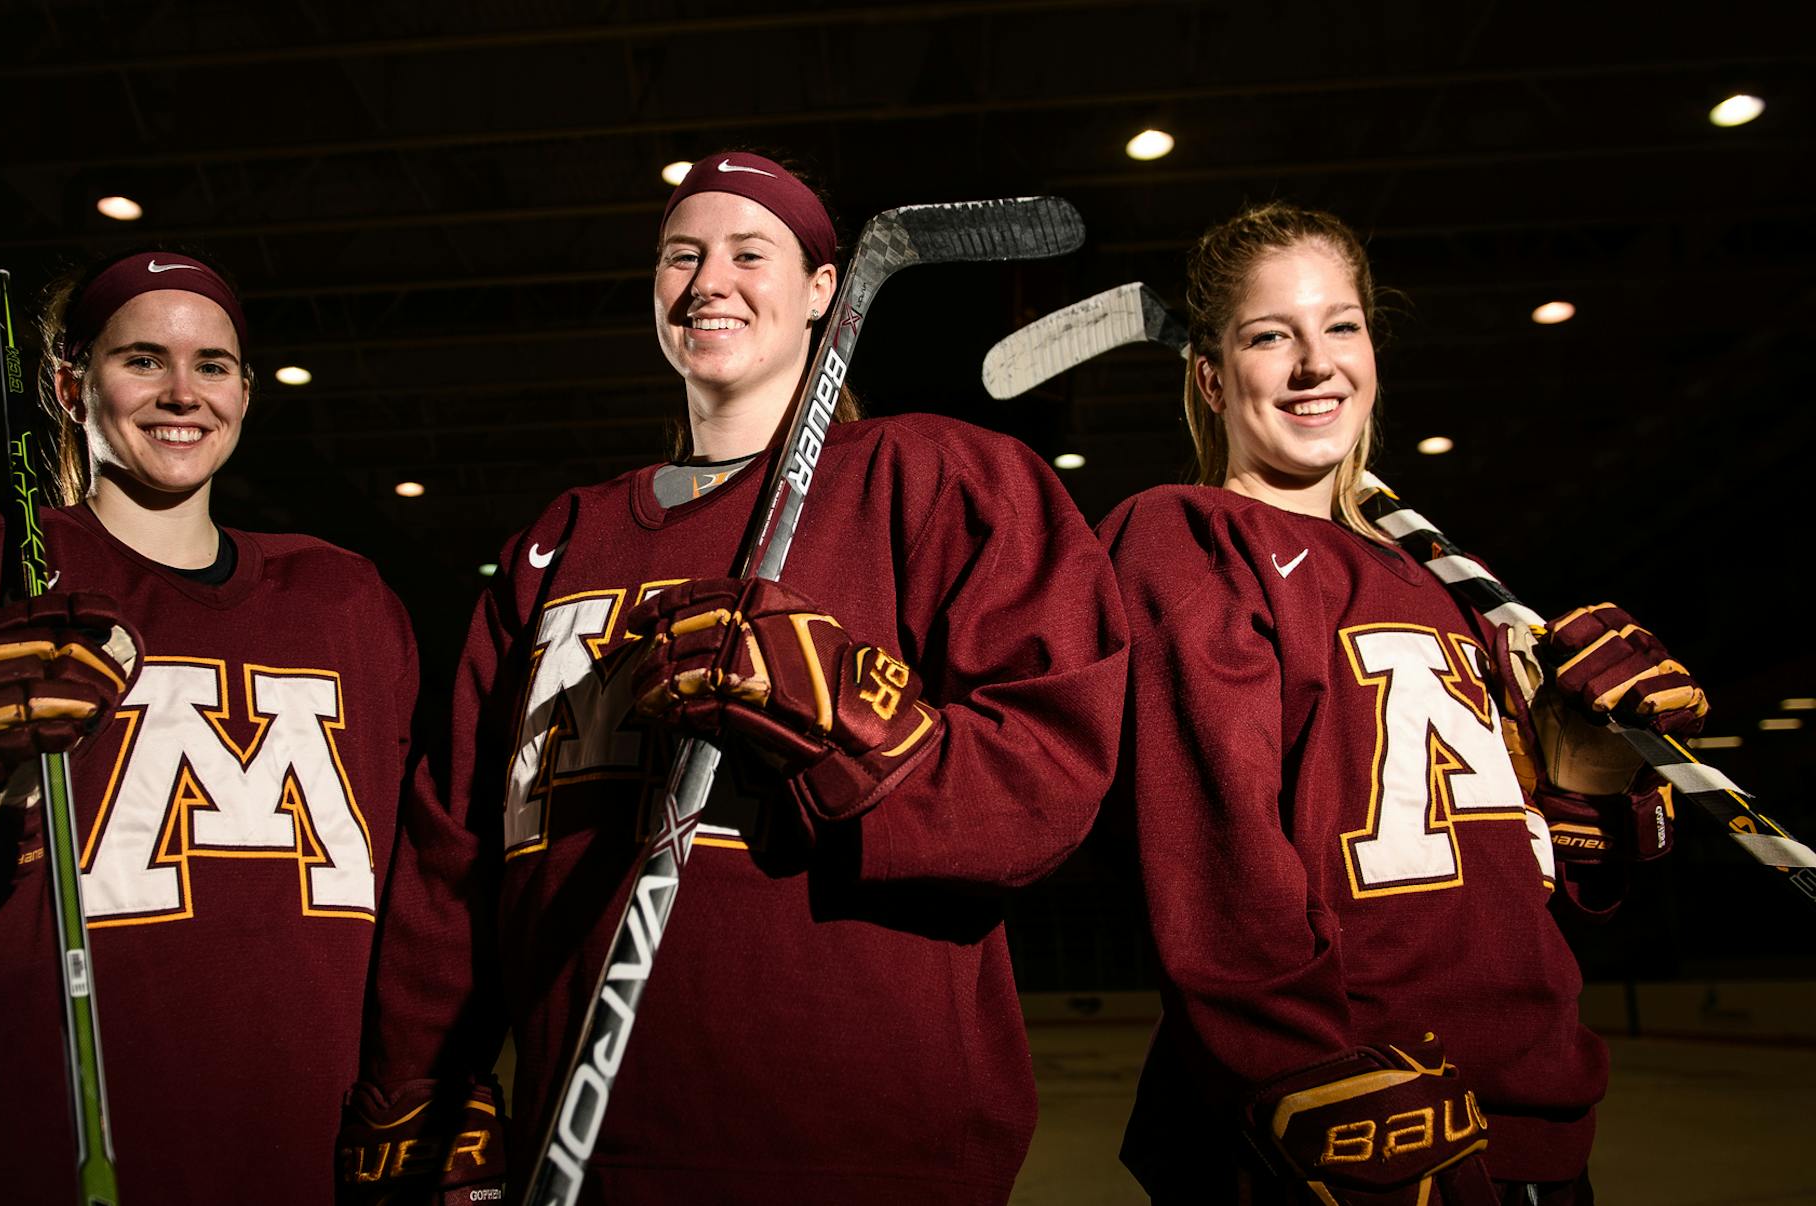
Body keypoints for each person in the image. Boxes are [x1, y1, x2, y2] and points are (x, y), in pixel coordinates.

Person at [339, 152, 1129, 1205]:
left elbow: (1049, 782)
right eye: (682, 256)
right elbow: (458, 848)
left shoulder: (936, 480)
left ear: (822, 292)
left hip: (873, 1152)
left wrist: (853, 712)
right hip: (586, 1150)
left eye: (750, 254)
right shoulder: (556, 543)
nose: (710, 281)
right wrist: (422, 1082)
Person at [0, 249, 419, 1204]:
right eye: (143, 360)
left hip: (293, 1153)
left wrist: (428, 1078)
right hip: (22, 1151)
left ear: (247, 393)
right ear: (68, 385)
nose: (183, 393)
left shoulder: (345, 601)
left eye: (212, 365)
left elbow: (418, 883)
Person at [1096, 202, 1706, 1205]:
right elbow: (1216, 860)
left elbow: (1532, 895)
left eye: (1341, 325)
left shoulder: (1448, 591)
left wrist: (1594, 779)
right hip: (1352, 1127)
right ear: (1209, 377)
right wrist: (1302, 1081)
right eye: (1268, 335)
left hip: (1538, 1128)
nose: (1315, 364)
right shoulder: (1191, 538)